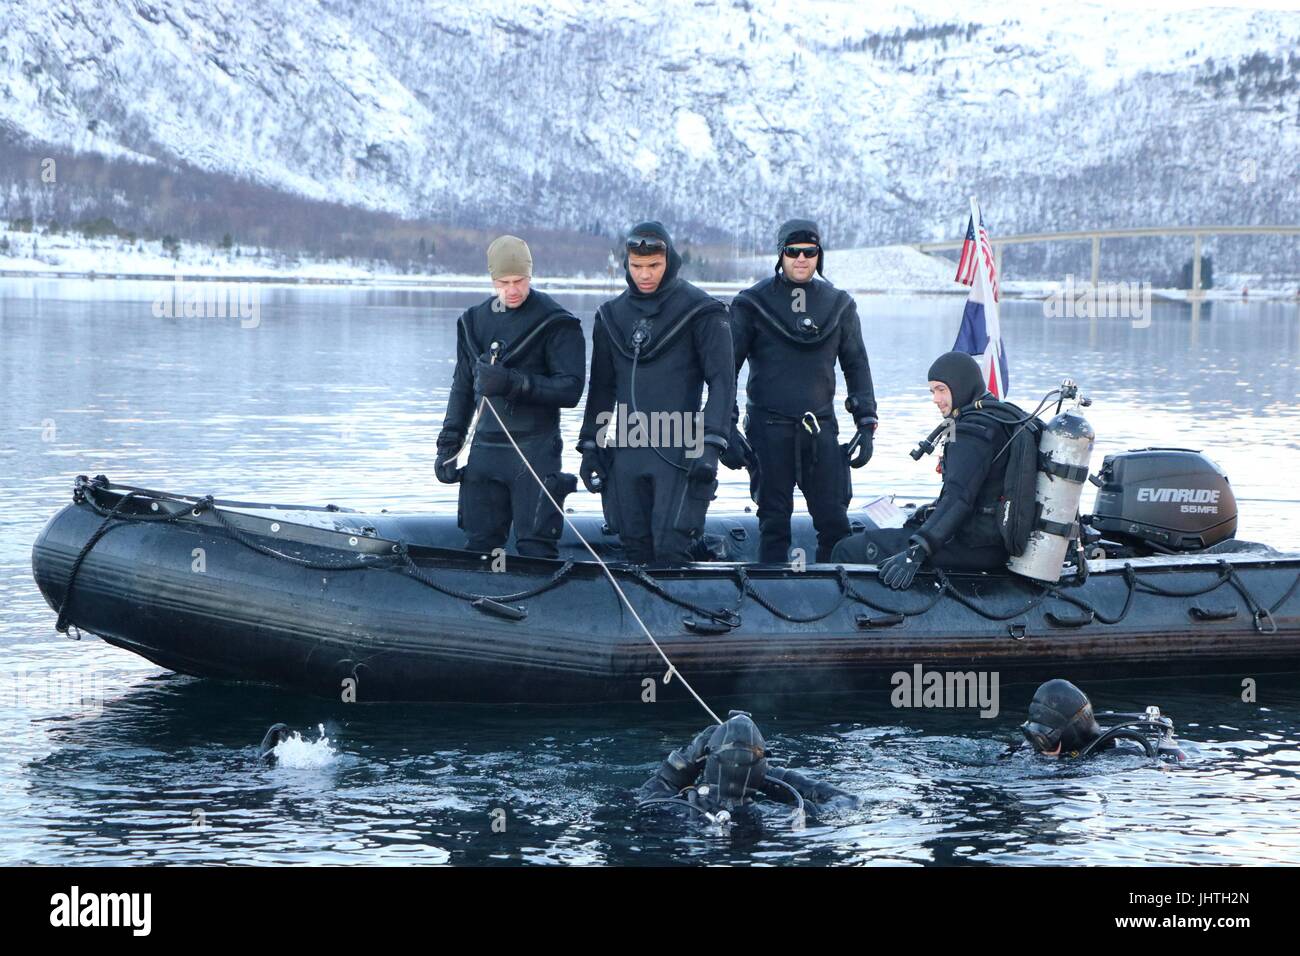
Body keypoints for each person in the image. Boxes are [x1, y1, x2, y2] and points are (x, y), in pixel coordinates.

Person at [577, 221, 735, 564]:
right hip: (626, 448)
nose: (644, 275)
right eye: (636, 267)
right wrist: (591, 444)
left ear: (670, 262)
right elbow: (601, 388)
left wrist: (711, 446)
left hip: (679, 448)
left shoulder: (703, 312)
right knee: (633, 548)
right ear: (626, 265)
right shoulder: (610, 317)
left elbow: (722, 383)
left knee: (669, 548)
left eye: (653, 266)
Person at [730, 218, 877, 563]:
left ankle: (836, 601)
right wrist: (725, 425)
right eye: (793, 252)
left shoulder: (840, 304)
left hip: (819, 428)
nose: (801, 259)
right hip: (768, 429)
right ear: (780, 255)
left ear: (818, 255)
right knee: (774, 521)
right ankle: (769, 598)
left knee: (834, 520)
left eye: (809, 252)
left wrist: (866, 421)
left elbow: (856, 365)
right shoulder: (751, 303)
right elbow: (725, 370)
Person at [435, 236, 586, 558]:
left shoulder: (556, 321)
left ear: (530, 275)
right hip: (485, 451)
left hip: (534, 450)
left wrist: (513, 383)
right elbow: (462, 387)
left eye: (520, 280)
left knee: (535, 548)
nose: (512, 289)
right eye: (503, 282)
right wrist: (448, 446)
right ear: (492, 279)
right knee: (479, 546)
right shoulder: (474, 322)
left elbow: (571, 389)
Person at [831, 350, 1021, 586]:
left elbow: (959, 498)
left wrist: (916, 552)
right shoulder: (999, 418)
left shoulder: (971, 432)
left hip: (974, 547)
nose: (935, 399)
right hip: (992, 542)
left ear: (960, 385)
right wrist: (926, 513)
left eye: (941, 389)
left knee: (848, 549)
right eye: (933, 391)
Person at [636, 711, 859, 823]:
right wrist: (762, 773)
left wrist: (691, 754)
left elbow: (652, 791)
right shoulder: (786, 816)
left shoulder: (673, 811)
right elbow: (849, 800)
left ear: (708, 761)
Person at [1020, 679, 1185, 761]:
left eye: (1044, 741)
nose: (1038, 750)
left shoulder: (1122, 756)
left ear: (1069, 735)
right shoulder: (1029, 752)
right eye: (1033, 738)